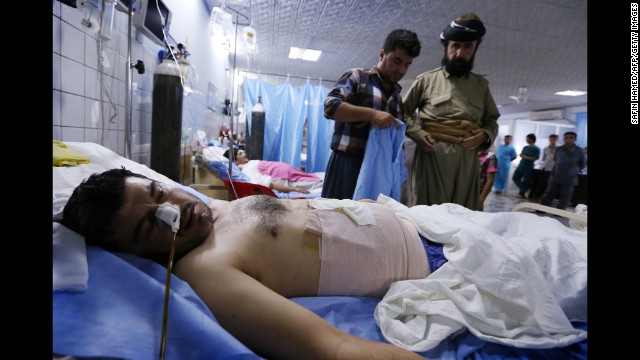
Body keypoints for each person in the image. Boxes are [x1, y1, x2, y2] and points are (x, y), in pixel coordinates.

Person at [61, 168, 587, 358]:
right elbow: (331, 347)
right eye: (151, 223)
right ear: (137, 254)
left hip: (436, 222)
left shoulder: (209, 209)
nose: (173, 210)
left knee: (555, 232)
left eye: (159, 192)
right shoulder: (210, 271)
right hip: (450, 264)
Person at [401, 13, 499, 210]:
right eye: (455, 46)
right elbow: (400, 113)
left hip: (467, 160)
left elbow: (491, 119)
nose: (459, 53)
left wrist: (484, 135)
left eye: (467, 47)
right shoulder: (426, 81)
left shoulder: (481, 86)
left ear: (475, 49)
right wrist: (418, 133)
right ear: (446, 47)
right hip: (432, 157)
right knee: (428, 214)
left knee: (462, 214)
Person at [321, 29, 422, 200]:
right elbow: (330, 106)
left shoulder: (396, 99)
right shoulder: (358, 77)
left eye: (406, 65)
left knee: (369, 221)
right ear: (382, 54)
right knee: (336, 219)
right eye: (397, 61)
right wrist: (371, 114)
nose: (400, 70)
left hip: (377, 170)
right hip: (347, 163)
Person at [223, 148, 320, 194]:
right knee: (320, 182)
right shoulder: (247, 170)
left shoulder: (250, 164)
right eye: (240, 154)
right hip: (289, 180)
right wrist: (295, 190)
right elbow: (268, 184)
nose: (244, 154)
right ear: (235, 160)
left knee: (318, 179)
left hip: (292, 174)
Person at [540, 132, 586, 210]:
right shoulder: (559, 149)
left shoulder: (579, 151)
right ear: (564, 139)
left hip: (570, 177)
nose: (568, 139)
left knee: (565, 197)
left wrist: (575, 170)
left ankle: (560, 212)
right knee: (548, 194)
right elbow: (555, 160)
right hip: (556, 175)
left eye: (571, 138)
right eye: (566, 138)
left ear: (575, 139)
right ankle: (542, 209)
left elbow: (583, 163)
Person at [511, 133, 540, 199]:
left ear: (531, 139)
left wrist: (525, 156)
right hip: (521, 164)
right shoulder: (525, 147)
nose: (526, 140)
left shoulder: (536, 149)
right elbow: (521, 154)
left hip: (528, 166)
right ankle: (526, 190)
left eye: (527, 138)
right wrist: (524, 156)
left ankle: (521, 194)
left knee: (526, 181)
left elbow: (535, 158)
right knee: (515, 178)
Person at [531, 134, 558, 200]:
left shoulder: (559, 148)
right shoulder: (546, 148)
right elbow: (544, 158)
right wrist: (542, 166)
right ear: (549, 140)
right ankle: (538, 196)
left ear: (557, 140)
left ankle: (547, 197)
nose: (553, 141)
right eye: (552, 139)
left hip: (555, 169)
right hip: (546, 168)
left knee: (551, 184)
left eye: (554, 139)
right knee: (542, 183)